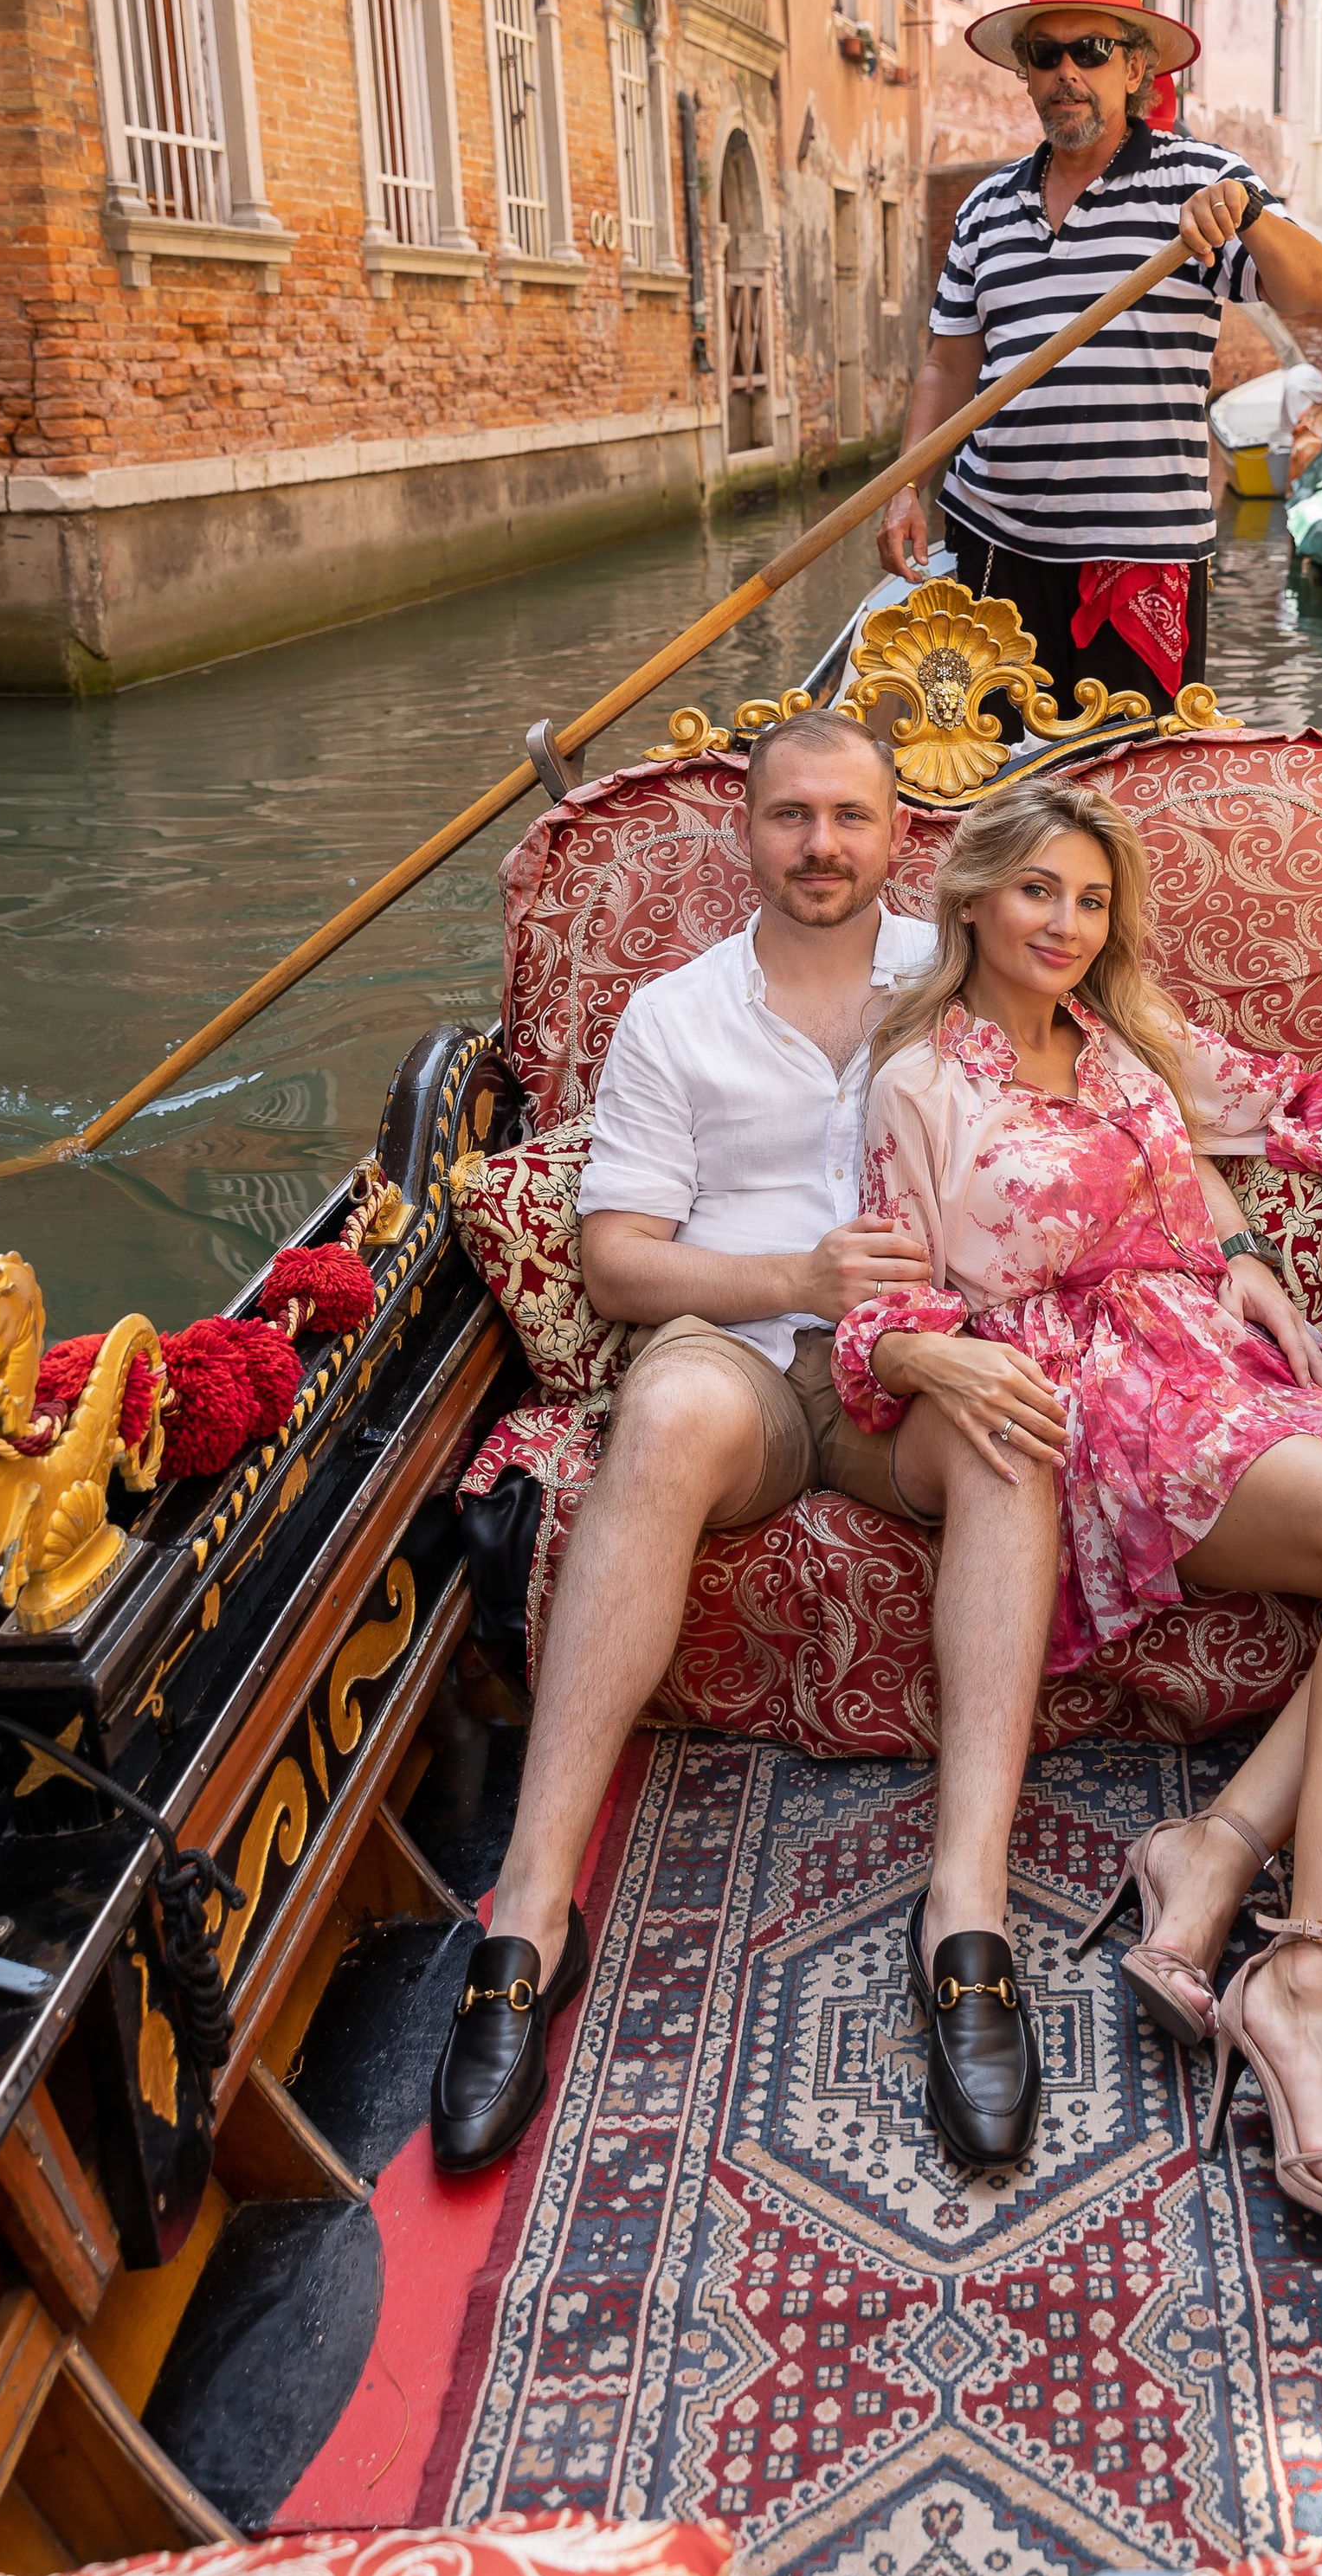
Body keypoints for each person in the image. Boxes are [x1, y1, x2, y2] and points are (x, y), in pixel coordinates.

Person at [831, 779, 1322, 2259]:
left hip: (1210, 1366)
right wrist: (933, 1348)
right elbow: (883, 1310)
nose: (1065, 925)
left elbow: (1305, 1106)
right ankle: (1317, 1977)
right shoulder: (919, 1083)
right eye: (1037, 892)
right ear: (971, 897)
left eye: (1090, 900)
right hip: (1092, 1404)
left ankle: (1213, 1850)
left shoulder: (1125, 1041)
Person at [430, 714, 1056, 2179]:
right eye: (792, 817)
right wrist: (795, 1281)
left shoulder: (963, 974)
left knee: (1015, 1434)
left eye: (852, 816)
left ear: (906, 835)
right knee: (662, 1410)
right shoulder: (675, 1016)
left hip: (909, 1373)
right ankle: (530, 1909)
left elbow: (1160, 1075)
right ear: (747, 831)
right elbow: (620, 1265)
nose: (822, 844)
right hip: (751, 1366)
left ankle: (964, 1908)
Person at [878, 0, 1322, 718]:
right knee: (985, 795)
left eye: (1090, 51)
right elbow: (947, 364)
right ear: (1026, 74)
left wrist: (1250, 213)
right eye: (1045, 54)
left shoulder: (1202, 184)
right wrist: (902, 486)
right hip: (990, 542)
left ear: (1135, 69)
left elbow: (1320, 291)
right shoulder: (984, 208)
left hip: (1140, 559)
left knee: (1121, 804)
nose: (1068, 71)